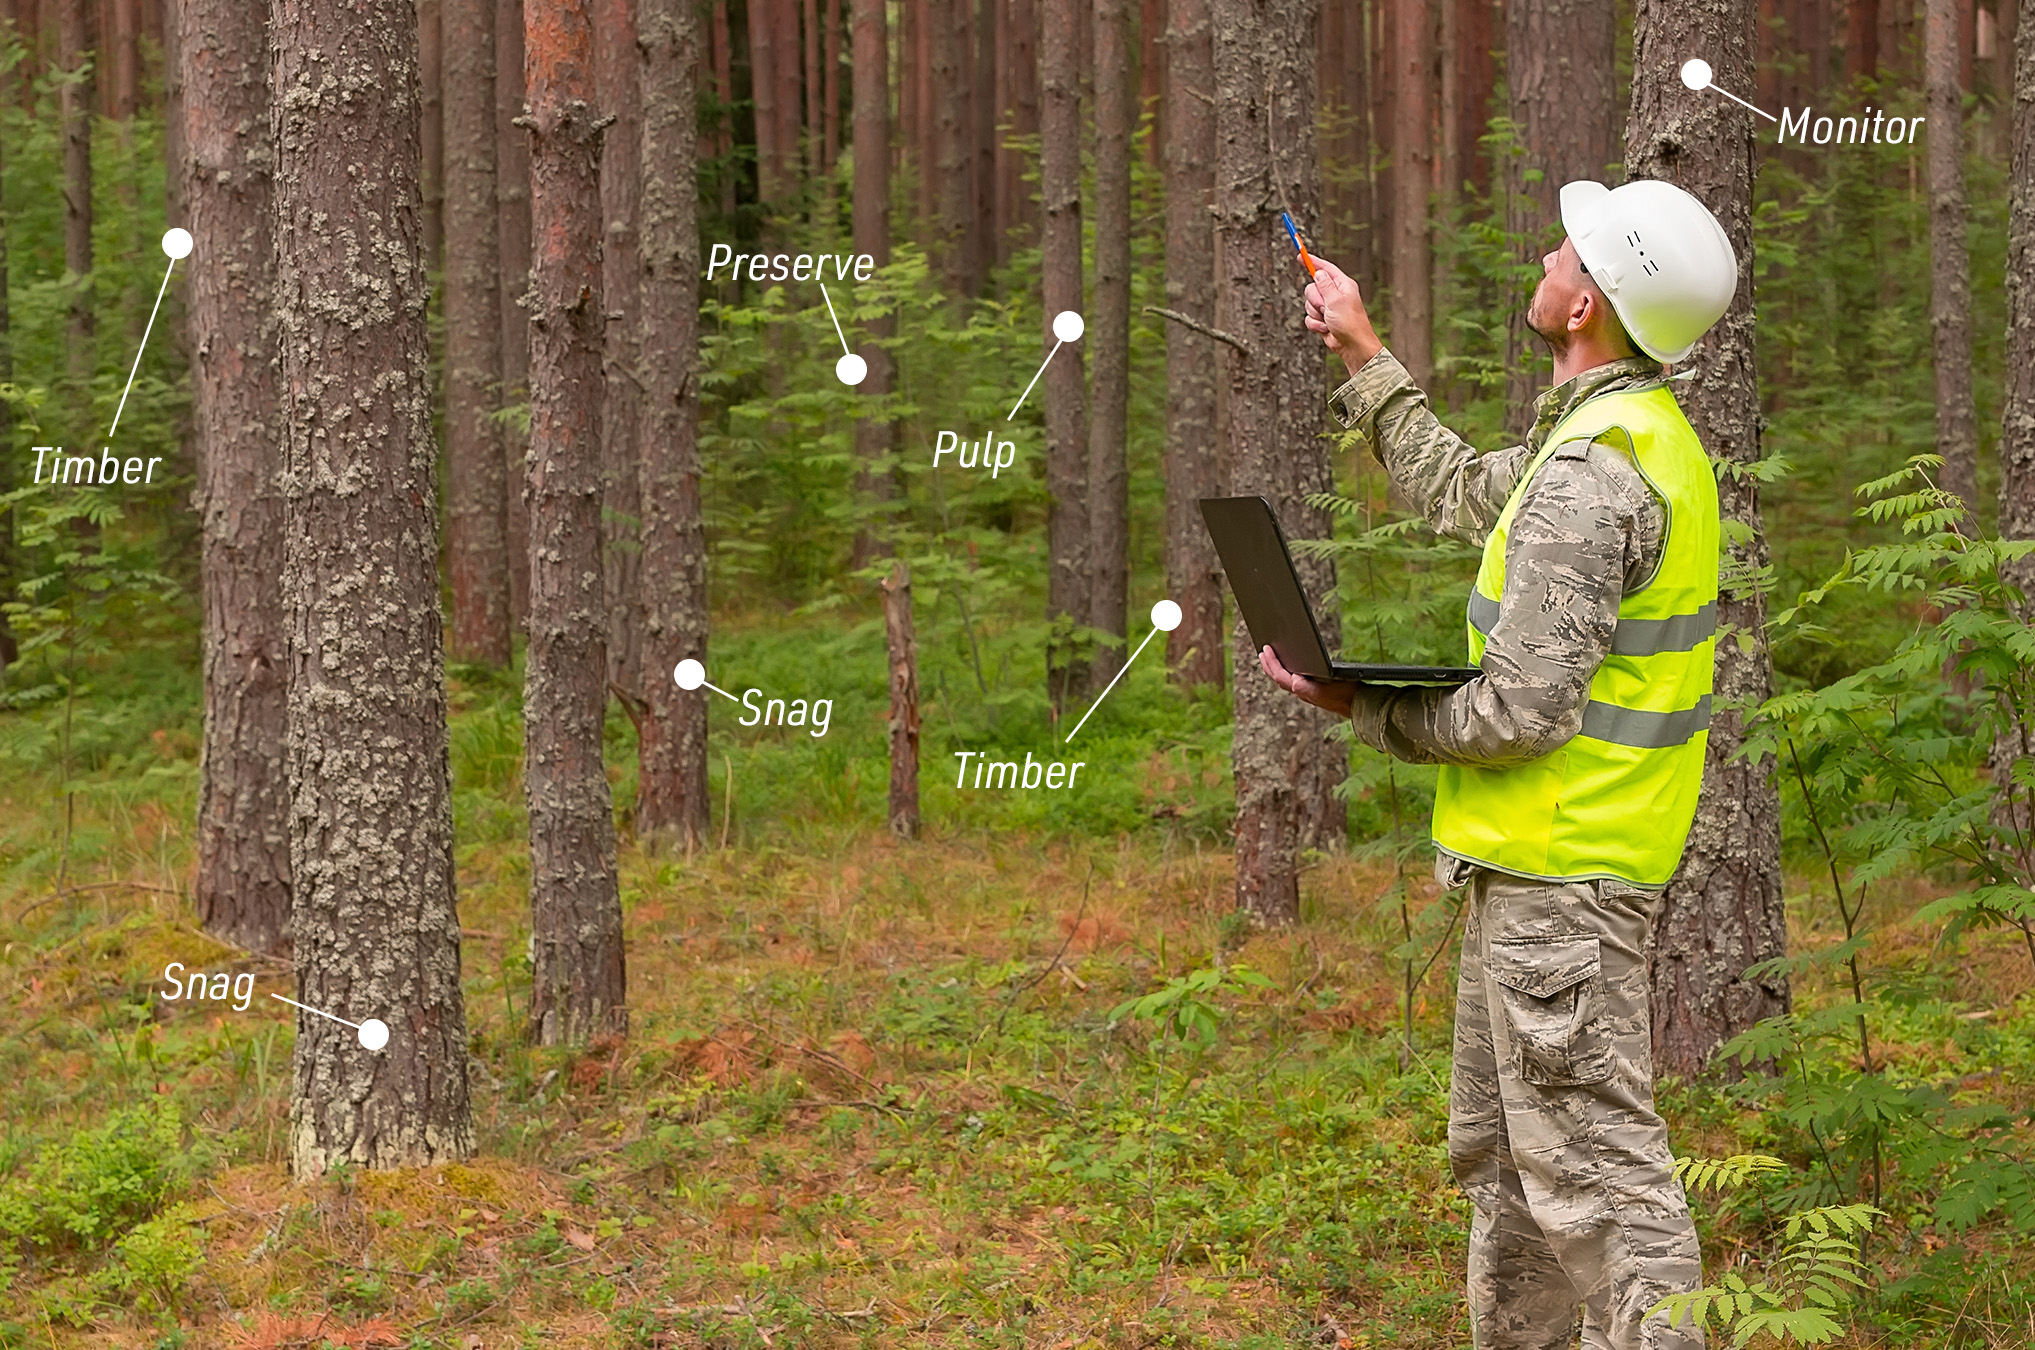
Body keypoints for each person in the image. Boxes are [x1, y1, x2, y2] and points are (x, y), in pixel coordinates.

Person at [1264, 179, 1738, 1350]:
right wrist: (1364, 351)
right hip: (1533, 875)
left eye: (1565, 248)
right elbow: (1468, 493)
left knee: (1603, 1193)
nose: (1544, 253)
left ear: (1589, 302)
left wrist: (1362, 709)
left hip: (1564, 885)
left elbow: (1520, 713)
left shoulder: (1598, 474)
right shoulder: (1590, 439)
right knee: (1517, 1179)